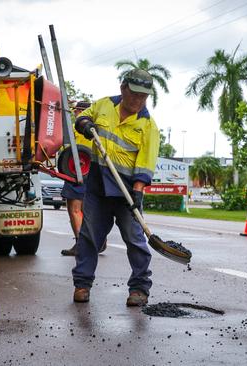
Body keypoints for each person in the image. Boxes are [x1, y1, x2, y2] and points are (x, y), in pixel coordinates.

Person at [71, 69, 160, 307]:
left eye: (143, 96)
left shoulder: (148, 126)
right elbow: (82, 118)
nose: (138, 100)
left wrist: (138, 191)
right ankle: (82, 284)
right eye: (134, 94)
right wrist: (85, 123)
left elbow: (146, 162)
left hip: (127, 191)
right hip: (99, 186)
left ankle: (139, 288)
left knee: (135, 240)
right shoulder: (103, 105)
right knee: (89, 238)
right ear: (123, 89)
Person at [60, 101, 107, 256]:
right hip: (96, 171)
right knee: (91, 208)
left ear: (80, 112)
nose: (74, 114)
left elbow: (65, 148)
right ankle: (98, 239)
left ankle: (82, 244)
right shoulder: (98, 129)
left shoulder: (76, 129)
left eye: (76, 111)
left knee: (74, 209)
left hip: (78, 170)